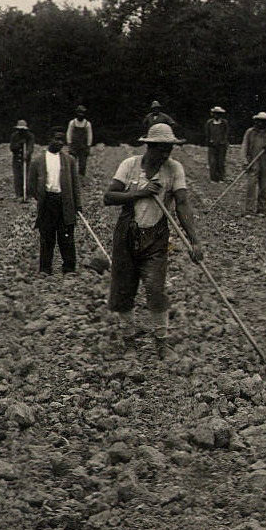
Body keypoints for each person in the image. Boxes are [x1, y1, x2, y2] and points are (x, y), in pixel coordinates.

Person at [103, 123, 203, 361]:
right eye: (161, 148)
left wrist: (194, 241)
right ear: (149, 146)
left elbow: (182, 203)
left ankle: (161, 343)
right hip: (127, 235)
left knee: (156, 289)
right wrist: (140, 192)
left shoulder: (174, 169)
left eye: (169, 148)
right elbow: (109, 196)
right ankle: (129, 342)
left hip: (156, 239)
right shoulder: (130, 165)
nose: (166, 153)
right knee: (124, 291)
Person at [28, 126, 80, 274]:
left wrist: (78, 205)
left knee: (66, 238)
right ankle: (45, 269)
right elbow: (31, 184)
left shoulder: (69, 160)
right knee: (47, 237)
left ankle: (69, 268)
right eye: (56, 139)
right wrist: (41, 197)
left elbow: (75, 185)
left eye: (62, 140)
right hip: (47, 203)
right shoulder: (38, 161)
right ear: (49, 139)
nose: (59, 142)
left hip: (65, 202)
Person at [241, 112, 266, 216]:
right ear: (256, 121)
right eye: (259, 121)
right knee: (251, 187)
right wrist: (244, 161)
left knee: (264, 188)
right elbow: (244, 147)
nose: (261, 123)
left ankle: (262, 210)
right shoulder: (250, 132)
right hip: (253, 164)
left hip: (265, 164)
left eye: (264, 122)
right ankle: (249, 210)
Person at [9, 119, 36, 201]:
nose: (21, 131)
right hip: (16, 159)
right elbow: (12, 148)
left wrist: (27, 154)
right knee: (18, 177)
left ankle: (28, 194)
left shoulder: (30, 136)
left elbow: (31, 147)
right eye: (19, 129)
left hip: (26, 160)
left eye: (23, 130)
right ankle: (19, 194)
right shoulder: (14, 136)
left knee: (27, 176)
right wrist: (19, 144)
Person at [203, 106, 230, 182]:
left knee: (221, 161)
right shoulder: (209, 123)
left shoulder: (224, 123)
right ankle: (213, 178)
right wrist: (209, 142)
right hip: (212, 145)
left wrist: (223, 141)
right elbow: (207, 134)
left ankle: (221, 177)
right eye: (215, 114)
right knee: (212, 161)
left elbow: (226, 133)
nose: (216, 115)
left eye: (218, 114)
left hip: (221, 145)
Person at [65, 105, 93, 179]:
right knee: (72, 162)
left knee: (82, 164)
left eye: (82, 113)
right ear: (76, 113)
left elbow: (90, 135)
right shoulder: (72, 123)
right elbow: (69, 133)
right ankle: (71, 178)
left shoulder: (87, 124)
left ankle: (81, 178)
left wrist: (88, 146)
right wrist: (69, 144)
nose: (81, 115)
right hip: (74, 146)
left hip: (83, 146)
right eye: (79, 113)